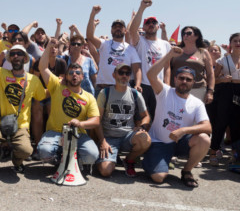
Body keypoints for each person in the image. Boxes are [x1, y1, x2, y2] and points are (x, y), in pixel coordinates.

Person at [0, 32, 46, 173]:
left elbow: (43, 95)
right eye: (13, 54)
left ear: (25, 58)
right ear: (9, 58)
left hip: (21, 125)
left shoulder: (33, 80)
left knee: (26, 150)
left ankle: (17, 161)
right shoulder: (1, 73)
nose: (16, 57)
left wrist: (63, 86)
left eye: (19, 54)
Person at [143, 47, 211, 188]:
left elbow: (207, 127)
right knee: (158, 178)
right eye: (181, 78)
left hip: (180, 143)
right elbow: (150, 75)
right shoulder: (165, 91)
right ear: (175, 79)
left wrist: (184, 130)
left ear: (193, 82)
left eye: (188, 79)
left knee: (204, 138)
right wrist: (169, 55)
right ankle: (153, 160)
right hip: (159, 142)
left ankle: (186, 171)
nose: (184, 81)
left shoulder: (196, 103)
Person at [37, 40, 100, 168]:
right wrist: (49, 46)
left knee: (92, 155)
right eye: (71, 73)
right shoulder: (57, 86)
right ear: (66, 76)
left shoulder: (89, 97)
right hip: (55, 132)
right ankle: (60, 160)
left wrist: (81, 124)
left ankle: (73, 160)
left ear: (83, 77)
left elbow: (96, 121)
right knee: (44, 152)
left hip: (78, 133)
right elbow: (43, 67)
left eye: (78, 73)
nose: (74, 75)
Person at [96, 64, 151, 178]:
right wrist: (102, 141)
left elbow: (146, 116)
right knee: (105, 171)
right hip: (109, 137)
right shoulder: (105, 93)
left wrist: (142, 127)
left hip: (128, 136)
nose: (124, 76)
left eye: (127, 73)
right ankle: (110, 157)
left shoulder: (135, 94)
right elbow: (98, 120)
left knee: (145, 139)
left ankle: (129, 161)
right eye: (121, 73)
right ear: (114, 75)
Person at [128, 0, 171, 120]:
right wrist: (142, 8)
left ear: (158, 26)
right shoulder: (140, 41)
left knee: (158, 117)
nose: (151, 24)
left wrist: (166, 85)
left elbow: (167, 67)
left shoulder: (165, 44)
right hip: (143, 85)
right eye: (148, 23)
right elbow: (132, 30)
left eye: (153, 22)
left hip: (159, 86)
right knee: (140, 118)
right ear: (143, 27)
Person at [86, 6, 141, 95]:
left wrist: (138, 84)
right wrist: (93, 14)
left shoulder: (131, 49)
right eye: (115, 27)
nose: (117, 28)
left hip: (123, 90)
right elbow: (90, 36)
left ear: (125, 30)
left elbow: (137, 69)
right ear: (111, 30)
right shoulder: (104, 44)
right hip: (102, 89)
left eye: (120, 26)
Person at [209, 33, 240, 166]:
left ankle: (235, 154)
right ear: (230, 43)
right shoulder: (223, 60)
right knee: (221, 122)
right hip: (226, 92)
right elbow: (213, 80)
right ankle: (213, 152)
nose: (238, 43)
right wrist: (222, 79)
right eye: (235, 41)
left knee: (237, 124)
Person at [170, 26, 214, 104]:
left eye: (189, 33)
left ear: (197, 36)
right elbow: (168, 69)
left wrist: (210, 92)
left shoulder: (204, 52)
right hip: (176, 89)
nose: (185, 35)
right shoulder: (175, 50)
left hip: (198, 90)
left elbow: (210, 74)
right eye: (183, 33)